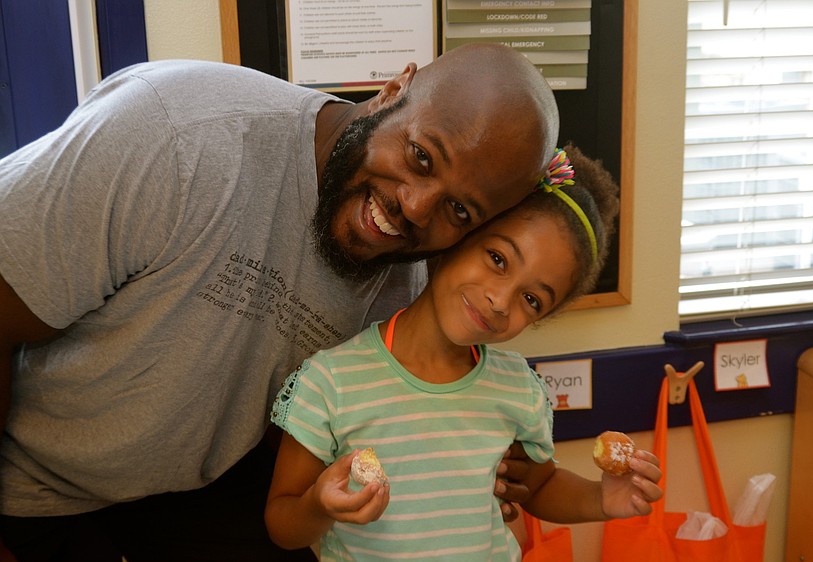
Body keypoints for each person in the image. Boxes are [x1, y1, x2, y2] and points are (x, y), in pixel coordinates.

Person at [0, 43, 560, 561]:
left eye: (459, 212)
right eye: (419, 156)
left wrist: (473, 473)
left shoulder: (412, 292)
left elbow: (326, 436)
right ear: (394, 88)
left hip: (204, 489)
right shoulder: (176, 135)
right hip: (34, 489)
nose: (415, 208)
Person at [265, 146, 664, 561]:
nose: (499, 300)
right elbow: (282, 523)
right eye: (497, 258)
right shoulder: (330, 381)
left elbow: (541, 487)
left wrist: (602, 499)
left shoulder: (518, 388)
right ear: (459, 235)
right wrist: (319, 506)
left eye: (531, 299)